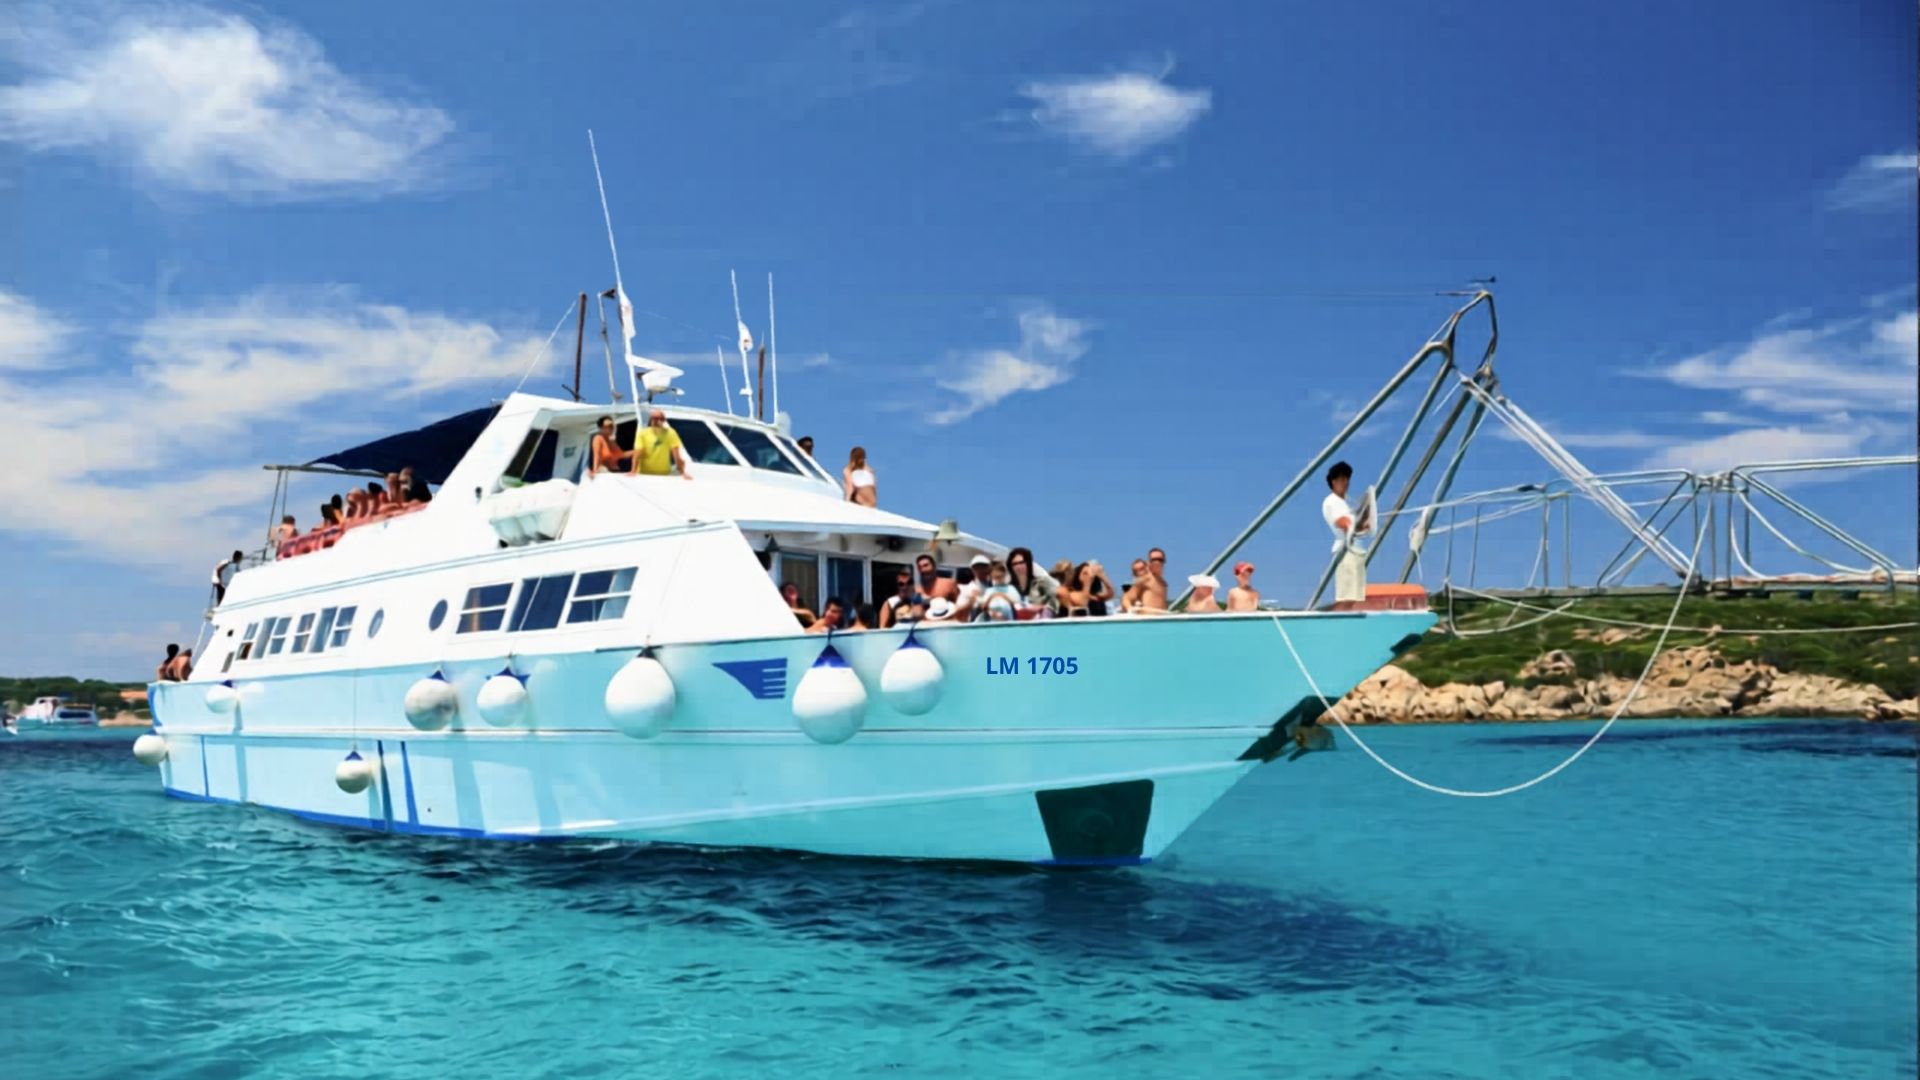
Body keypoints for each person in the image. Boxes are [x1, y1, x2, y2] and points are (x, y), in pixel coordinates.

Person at [1322, 461, 1371, 610]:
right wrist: (1360, 519)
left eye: (1347, 479)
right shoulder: (1332, 501)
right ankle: (1334, 625)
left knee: (1355, 598)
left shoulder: (1345, 504)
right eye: (1342, 479)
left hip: (1355, 550)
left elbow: (1358, 527)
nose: (1346, 482)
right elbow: (1343, 524)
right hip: (1345, 551)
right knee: (1346, 597)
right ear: (1333, 481)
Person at [636, 409, 692, 479]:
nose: (657, 421)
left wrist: (683, 472)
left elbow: (677, 456)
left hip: (664, 475)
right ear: (651, 420)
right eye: (654, 418)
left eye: (660, 419)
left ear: (663, 420)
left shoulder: (671, 433)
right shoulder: (643, 433)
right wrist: (633, 471)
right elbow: (637, 454)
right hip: (643, 474)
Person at [1006, 547, 1058, 617]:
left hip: (1039, 620)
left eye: (1021, 563)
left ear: (1028, 563)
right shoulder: (1007, 588)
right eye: (1015, 564)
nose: (1018, 566)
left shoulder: (1042, 582)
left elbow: (1056, 597)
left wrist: (1043, 609)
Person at [954, 554, 992, 620]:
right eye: (977, 567)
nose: (980, 569)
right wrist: (970, 602)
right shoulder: (965, 588)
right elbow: (957, 609)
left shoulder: (994, 587)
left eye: (983, 566)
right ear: (972, 569)